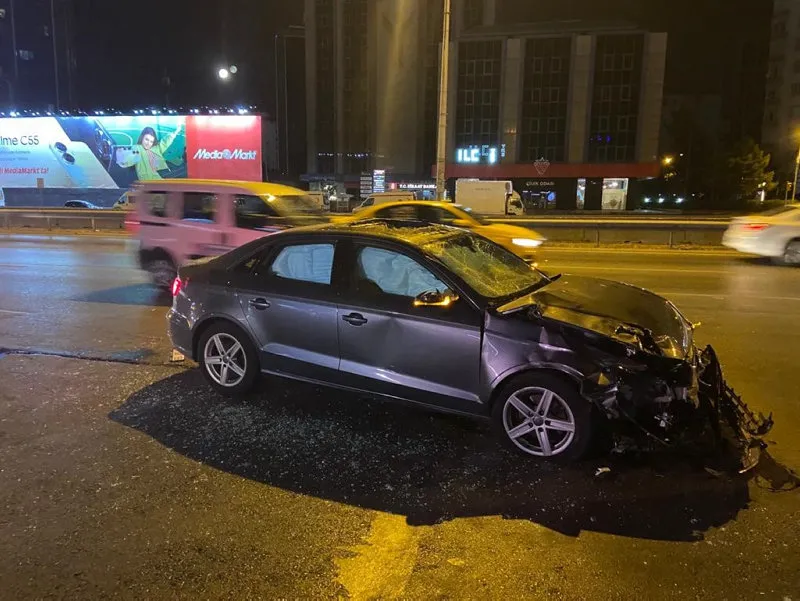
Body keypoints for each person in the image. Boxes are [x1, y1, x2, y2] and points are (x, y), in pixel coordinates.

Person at [116, 124, 184, 181]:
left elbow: (165, 142)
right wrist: (121, 156)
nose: (148, 143)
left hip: (158, 181)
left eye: (151, 141)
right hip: (147, 184)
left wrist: (176, 131)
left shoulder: (156, 149)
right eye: (147, 139)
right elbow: (131, 158)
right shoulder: (137, 148)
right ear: (142, 138)